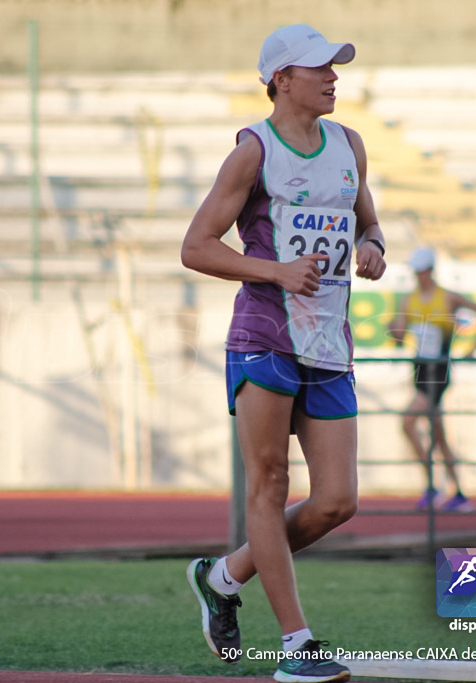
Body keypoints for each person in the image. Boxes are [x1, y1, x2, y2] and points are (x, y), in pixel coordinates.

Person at [180, 23, 385, 683]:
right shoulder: (252, 151)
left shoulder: (349, 143)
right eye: (319, 68)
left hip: (329, 341)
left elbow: (368, 219)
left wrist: (374, 245)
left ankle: (223, 575)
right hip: (265, 337)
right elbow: (197, 246)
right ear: (281, 79)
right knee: (269, 486)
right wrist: (275, 271)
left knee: (337, 501)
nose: (333, 77)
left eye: (335, 67)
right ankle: (298, 644)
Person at [388, 246, 476, 512]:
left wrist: (472, 349)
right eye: (415, 272)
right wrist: (393, 331)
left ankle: (433, 486)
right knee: (439, 434)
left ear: (431, 271)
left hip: (439, 374)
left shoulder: (448, 298)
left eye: (422, 272)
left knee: (407, 423)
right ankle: (459, 494)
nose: (418, 277)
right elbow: (399, 335)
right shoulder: (408, 301)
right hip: (420, 371)